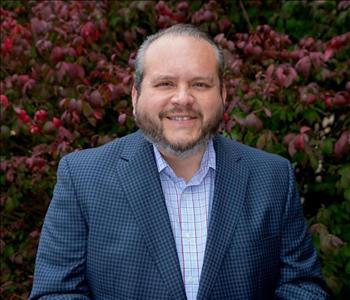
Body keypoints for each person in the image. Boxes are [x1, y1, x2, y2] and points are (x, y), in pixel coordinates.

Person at [30, 24, 328, 300]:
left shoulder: (272, 177)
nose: (182, 98)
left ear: (222, 94)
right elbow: (56, 292)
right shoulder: (82, 178)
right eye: (165, 84)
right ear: (135, 96)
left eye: (200, 84)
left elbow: (301, 287)